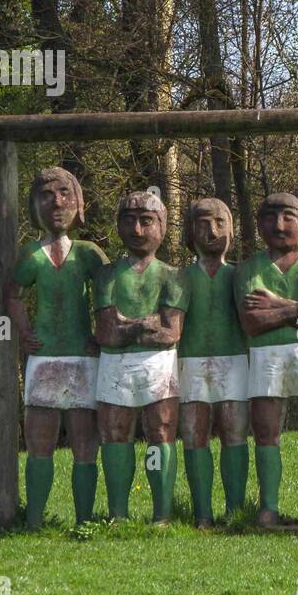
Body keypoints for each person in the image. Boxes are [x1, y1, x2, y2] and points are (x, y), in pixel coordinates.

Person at [7, 167, 108, 526]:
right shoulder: (31, 255)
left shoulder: (89, 254)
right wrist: (24, 332)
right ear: (35, 204)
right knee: (39, 442)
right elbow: (14, 296)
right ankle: (34, 520)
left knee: (85, 444)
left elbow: (109, 292)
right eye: (47, 195)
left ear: (79, 201)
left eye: (65, 193)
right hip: (44, 358)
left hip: (84, 358)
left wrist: (103, 332)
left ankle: (85, 519)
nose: (57, 202)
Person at [236, 193, 298, 526]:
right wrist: (296, 308)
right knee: (266, 431)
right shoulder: (248, 269)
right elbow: (251, 324)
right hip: (265, 356)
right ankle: (268, 506)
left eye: (289, 216)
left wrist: (274, 306)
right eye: (270, 217)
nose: (280, 225)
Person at [93, 191, 186, 523]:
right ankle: (118, 514)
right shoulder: (106, 275)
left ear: (161, 226)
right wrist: (143, 325)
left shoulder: (173, 276)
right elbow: (106, 333)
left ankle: (162, 514)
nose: (137, 229)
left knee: (159, 432)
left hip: (158, 366)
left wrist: (126, 326)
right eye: (129, 220)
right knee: (115, 433)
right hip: (114, 365)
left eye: (147, 221)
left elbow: (170, 332)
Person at [177, 198, 250, 527]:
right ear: (190, 231)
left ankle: (237, 510)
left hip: (234, 362)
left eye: (220, 222)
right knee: (195, 434)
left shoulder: (241, 275)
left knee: (235, 432)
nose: (212, 230)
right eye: (204, 223)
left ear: (232, 230)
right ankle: (201, 512)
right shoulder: (180, 277)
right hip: (190, 363)